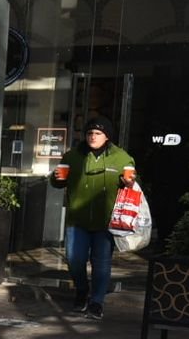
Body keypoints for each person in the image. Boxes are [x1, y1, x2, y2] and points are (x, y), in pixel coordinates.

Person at [51, 115, 137, 320]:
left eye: (97, 133)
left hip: (105, 222)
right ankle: (82, 290)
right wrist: (55, 178)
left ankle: (96, 302)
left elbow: (132, 181)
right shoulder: (72, 156)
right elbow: (58, 183)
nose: (92, 136)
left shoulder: (122, 157)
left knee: (101, 264)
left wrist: (130, 181)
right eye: (89, 133)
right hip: (77, 220)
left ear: (107, 136)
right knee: (74, 260)